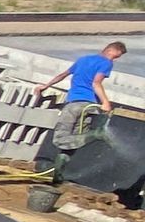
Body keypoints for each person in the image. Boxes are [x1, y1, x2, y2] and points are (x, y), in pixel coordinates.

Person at [41, 39, 128, 175]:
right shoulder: (106, 63)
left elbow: (63, 75)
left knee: (61, 138)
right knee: (74, 140)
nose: (114, 60)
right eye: (116, 56)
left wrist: (46, 86)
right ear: (111, 50)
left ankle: (96, 134)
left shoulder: (84, 59)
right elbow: (96, 82)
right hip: (88, 106)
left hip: (75, 103)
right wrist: (105, 102)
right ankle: (58, 173)